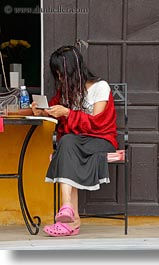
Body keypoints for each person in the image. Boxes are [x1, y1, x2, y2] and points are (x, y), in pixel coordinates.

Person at [32, 45, 118, 237]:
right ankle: (69, 212)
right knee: (68, 143)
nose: (60, 79)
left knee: (66, 146)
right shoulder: (68, 92)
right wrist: (41, 110)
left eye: (62, 73)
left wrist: (69, 113)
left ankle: (71, 218)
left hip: (101, 139)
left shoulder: (100, 87)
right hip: (76, 143)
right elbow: (55, 108)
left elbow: (98, 124)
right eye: (57, 75)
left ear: (73, 70)